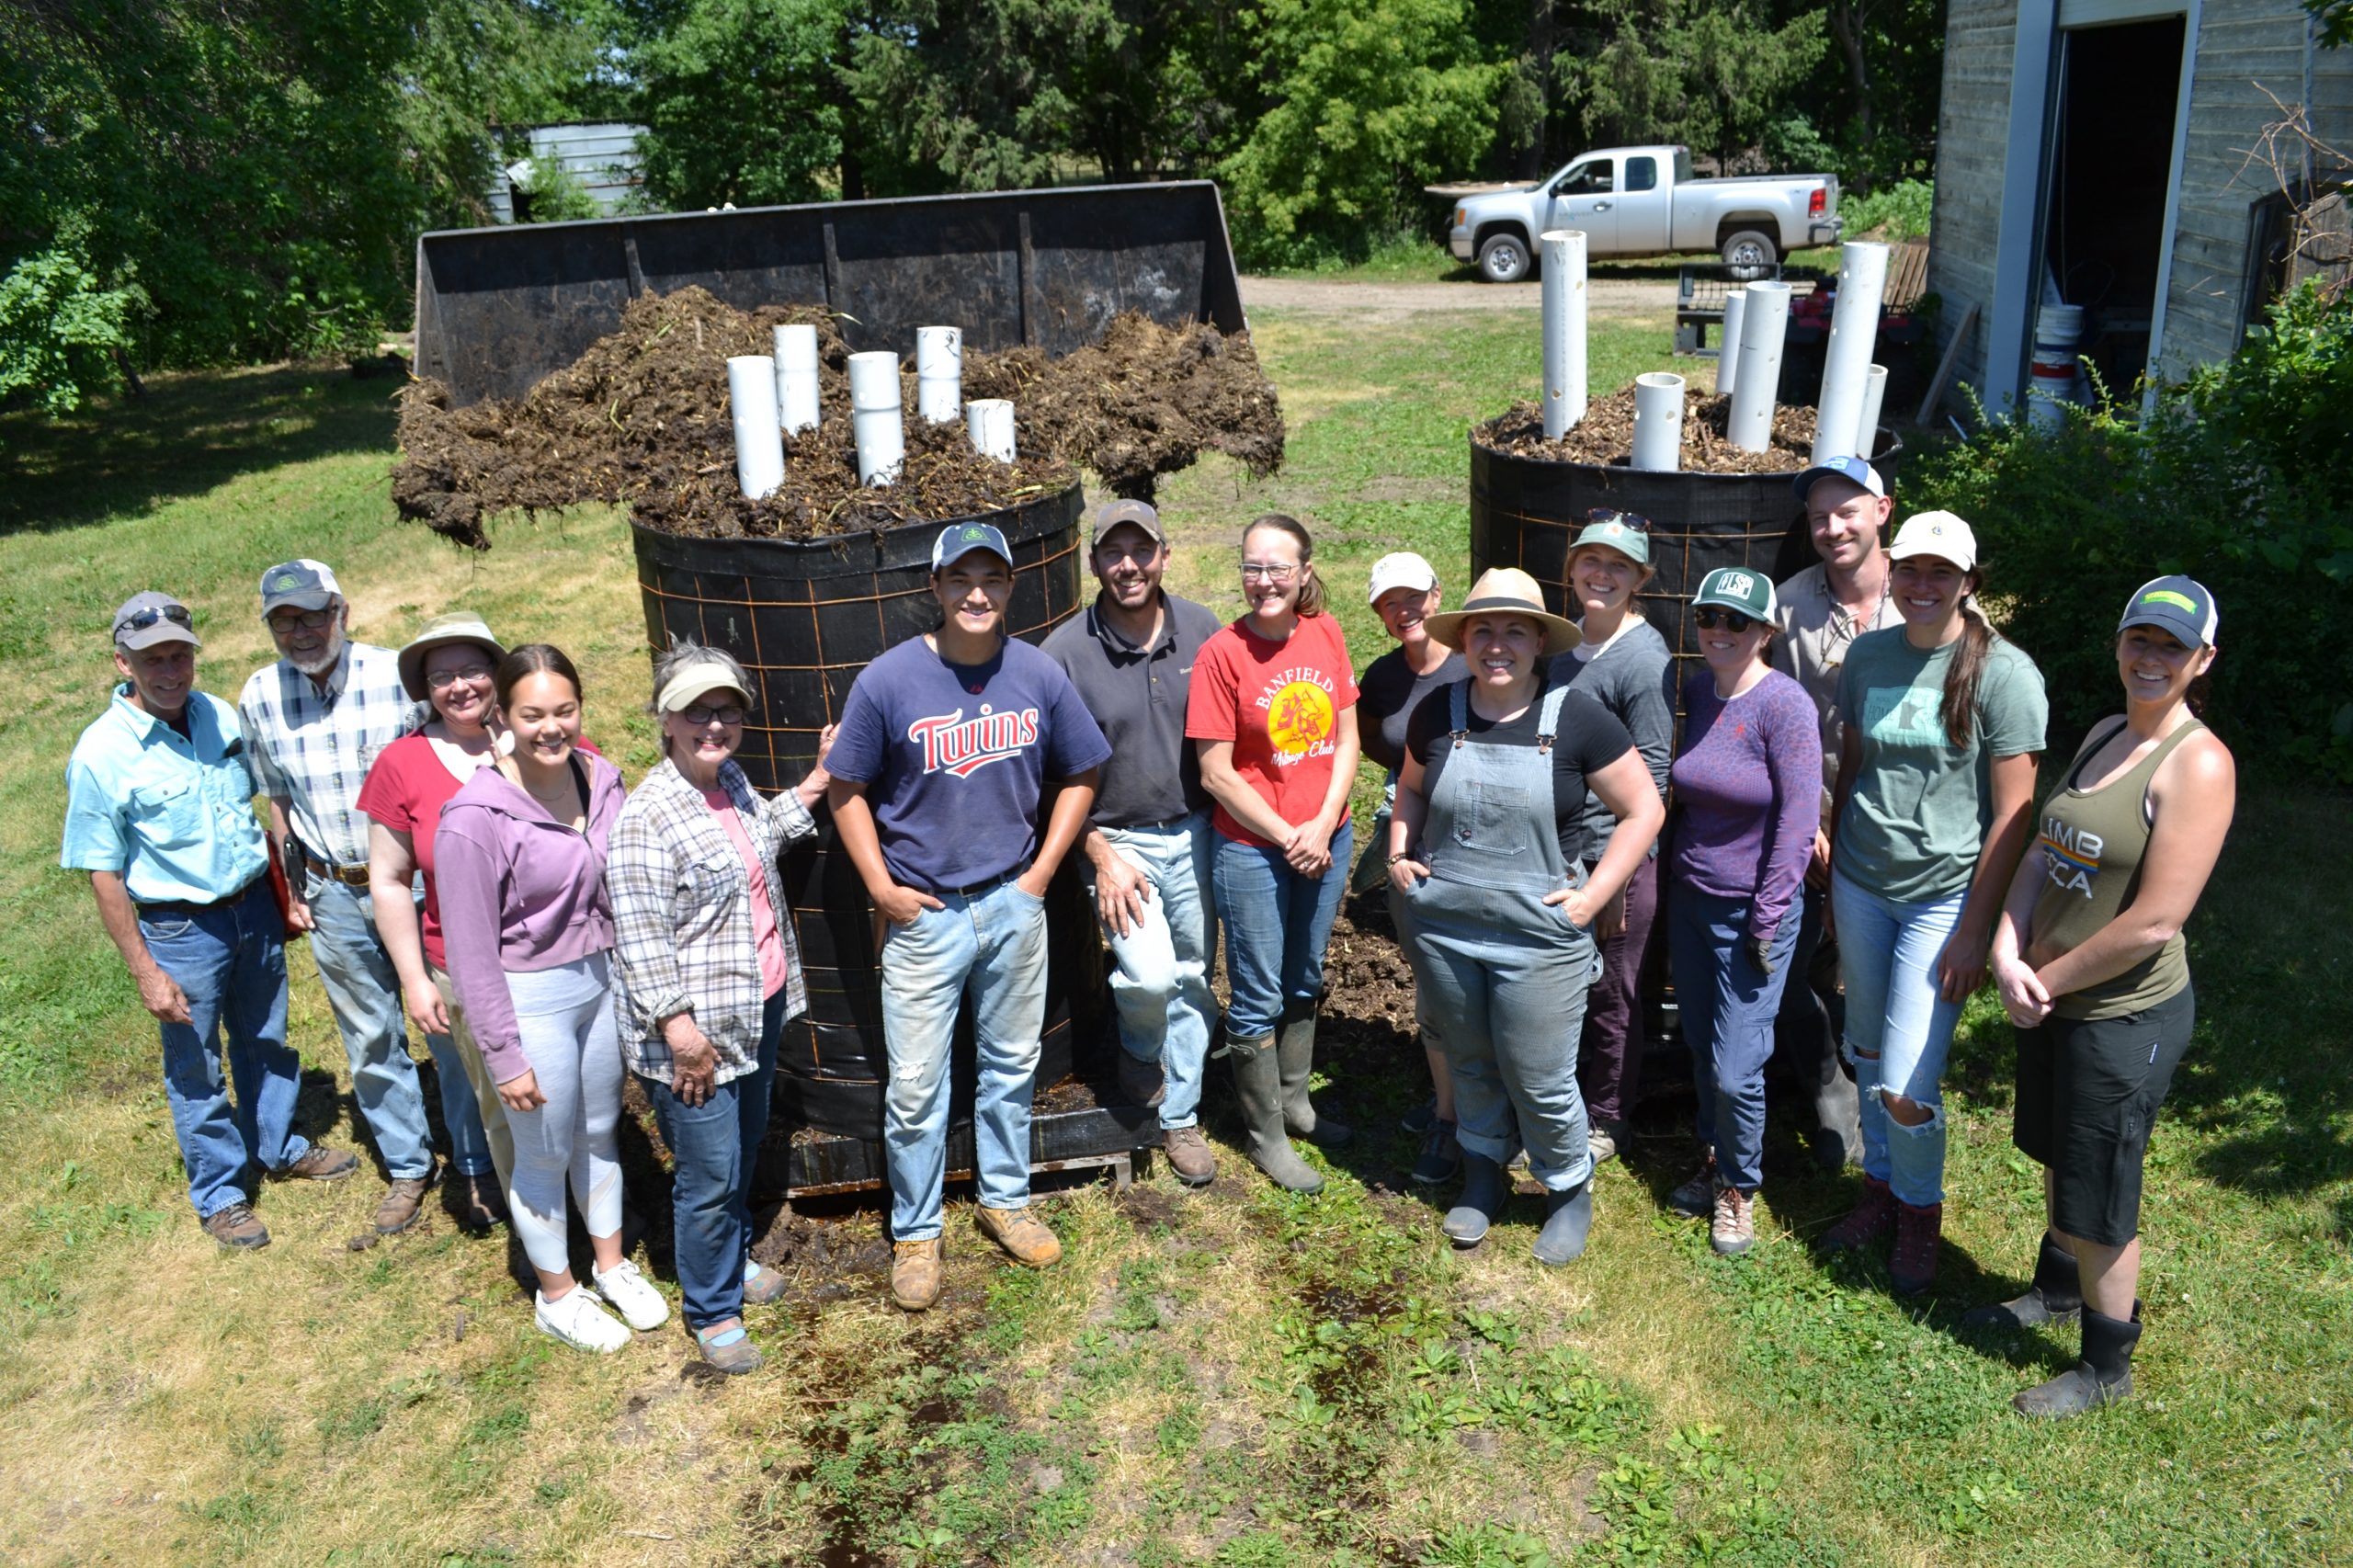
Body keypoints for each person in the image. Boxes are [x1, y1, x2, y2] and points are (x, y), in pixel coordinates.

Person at [827, 522, 1109, 1313]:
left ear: (1011, 587)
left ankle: (1005, 1201)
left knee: (1010, 1067)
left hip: (1013, 903)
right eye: (961, 580)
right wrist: (881, 888)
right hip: (924, 916)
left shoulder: (1037, 674)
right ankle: (915, 1234)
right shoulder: (888, 682)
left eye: (992, 579)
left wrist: (1044, 873)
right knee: (916, 1086)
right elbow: (846, 788)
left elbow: (1082, 770)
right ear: (937, 586)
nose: (976, 594)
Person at [1971, 576, 2234, 1416]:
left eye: (2171, 646)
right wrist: (2008, 944)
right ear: (2119, 643)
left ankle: (2104, 1367)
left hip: (2122, 1014)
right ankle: (2053, 1289)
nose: (2150, 659)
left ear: (2202, 661)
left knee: (2102, 1188)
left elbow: (2156, 921)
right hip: (2050, 995)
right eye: (2140, 639)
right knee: (2060, 1152)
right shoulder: (2104, 732)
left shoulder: (2198, 763)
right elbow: (2048, 853)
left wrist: (2041, 982)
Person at [62, 592, 358, 1251]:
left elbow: (258, 805)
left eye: (179, 655)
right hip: (180, 929)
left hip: (250, 907)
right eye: (152, 660)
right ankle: (221, 1194)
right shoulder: (102, 754)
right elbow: (102, 873)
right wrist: (145, 970)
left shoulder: (218, 715)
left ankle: (277, 1146)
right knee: (196, 1066)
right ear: (122, 662)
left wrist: (283, 890)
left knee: (267, 1038)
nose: (170, 671)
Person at [1387, 569, 1665, 1264]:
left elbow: (1646, 809)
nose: (1497, 644)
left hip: (1541, 938)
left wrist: (1594, 897)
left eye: (1515, 630)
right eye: (1484, 629)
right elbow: (1411, 790)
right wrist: (1398, 848)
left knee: (1537, 1072)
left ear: (1540, 640)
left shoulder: (1575, 717)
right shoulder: (1438, 711)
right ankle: (1484, 1175)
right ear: (1465, 639)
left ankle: (1568, 1188)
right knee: (1473, 1060)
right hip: (1445, 925)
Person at [1818, 512, 2046, 1294]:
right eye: (1910, 570)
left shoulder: (2004, 675)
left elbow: (2016, 816)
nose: (1922, 586)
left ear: (1968, 584)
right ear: (1893, 570)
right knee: (1869, 1052)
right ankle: (1879, 1190)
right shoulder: (1869, 657)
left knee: (1909, 1085)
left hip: (1942, 898)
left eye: (1940, 574)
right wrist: (1832, 876)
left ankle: (1920, 1211)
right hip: (1859, 881)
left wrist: (1974, 931)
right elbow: (1854, 764)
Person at [237, 561, 494, 1238]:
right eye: (284, 620)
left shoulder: (397, 681)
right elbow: (279, 799)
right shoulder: (260, 695)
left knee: (448, 1027)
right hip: (330, 889)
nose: (301, 631)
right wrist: (295, 887)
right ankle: (410, 1166)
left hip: (418, 886)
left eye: (314, 615)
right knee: (370, 1038)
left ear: (342, 610)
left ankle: (475, 1162)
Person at [608, 642, 835, 1372]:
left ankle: (731, 1262)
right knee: (707, 1175)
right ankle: (712, 1312)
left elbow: (763, 838)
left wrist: (818, 782)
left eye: (727, 711)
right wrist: (680, 1033)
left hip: (757, 1007)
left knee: (738, 1151)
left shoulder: (730, 781)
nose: (715, 725)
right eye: (697, 712)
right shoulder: (647, 816)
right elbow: (639, 941)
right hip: (693, 1035)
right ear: (665, 719)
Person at [437, 645, 666, 1352]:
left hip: (600, 984)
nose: (550, 728)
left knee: (598, 1130)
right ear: (502, 716)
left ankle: (611, 1263)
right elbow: (471, 953)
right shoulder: (473, 817)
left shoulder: (602, 780)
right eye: (532, 714)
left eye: (564, 710)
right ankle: (556, 1294)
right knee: (540, 1150)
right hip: (529, 996)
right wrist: (504, 1055)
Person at [1041, 500, 1225, 1187]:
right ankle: (1141, 1056)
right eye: (1113, 553)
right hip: (1118, 841)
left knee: (1193, 975)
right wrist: (1097, 852)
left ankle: (1179, 1119)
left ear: (1164, 557)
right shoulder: (1063, 654)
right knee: (1150, 976)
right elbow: (1046, 775)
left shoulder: (1203, 631)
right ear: (1093, 564)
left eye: (1141, 551)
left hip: (1196, 829)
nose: (1129, 566)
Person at [1187, 514, 1361, 1194]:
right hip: (1255, 849)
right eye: (1252, 568)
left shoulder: (1325, 632)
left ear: (1305, 572)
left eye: (1278, 568)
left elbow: (1345, 740)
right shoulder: (1221, 655)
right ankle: (1264, 1136)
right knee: (1257, 991)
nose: (1264, 581)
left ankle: (1295, 1102)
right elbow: (1216, 773)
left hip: (1327, 835)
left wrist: (1321, 824)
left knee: (1305, 973)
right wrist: (1291, 835)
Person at [1661, 568, 1822, 1256]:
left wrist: (1769, 913)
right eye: (1709, 618)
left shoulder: (1785, 707)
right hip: (1691, 899)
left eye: (1736, 621)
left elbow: (1798, 817)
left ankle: (1740, 1186)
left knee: (1737, 1064)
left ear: (1765, 632)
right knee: (1700, 1044)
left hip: (1755, 911)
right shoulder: (1699, 691)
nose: (1720, 632)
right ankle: (1713, 1152)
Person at [358, 611, 515, 1228]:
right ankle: (484, 1175)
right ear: (425, 688)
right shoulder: (402, 762)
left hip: (555, 954)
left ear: (498, 673)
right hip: (458, 960)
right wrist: (415, 979)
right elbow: (390, 879)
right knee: (470, 1079)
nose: (460, 686)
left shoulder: (542, 735)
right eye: (442, 675)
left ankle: (589, 1190)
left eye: (473, 668)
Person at [1772, 456, 1903, 1169]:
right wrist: (1808, 827)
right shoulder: (1790, 605)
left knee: (1878, 970)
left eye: (1847, 511)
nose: (1832, 528)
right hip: (1811, 822)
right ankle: (1829, 1085)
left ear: (1882, 511)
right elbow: (1775, 720)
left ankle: (1880, 1088)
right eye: (1819, 516)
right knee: (1787, 966)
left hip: (1895, 831)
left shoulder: (1922, 596)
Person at [1551, 512, 1674, 1167]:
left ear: (1640, 579)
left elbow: (1652, 773)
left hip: (1612, 856)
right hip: (1558, 850)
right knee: (1563, 985)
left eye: (1618, 566)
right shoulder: (1562, 648)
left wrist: (1621, 867)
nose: (1602, 575)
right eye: (1591, 561)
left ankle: (1605, 1117)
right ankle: (1557, 1100)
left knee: (1613, 992)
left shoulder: (1642, 658)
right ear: (1571, 567)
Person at [1350, 551, 1465, 1186]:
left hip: (1473, 836)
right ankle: (1448, 1109)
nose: (1405, 611)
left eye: (1415, 597)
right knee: (1430, 971)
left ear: (1437, 594)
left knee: (1473, 973)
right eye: (1390, 602)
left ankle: (1477, 1106)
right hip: (1409, 832)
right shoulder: (1384, 678)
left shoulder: (1474, 664)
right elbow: (1373, 740)